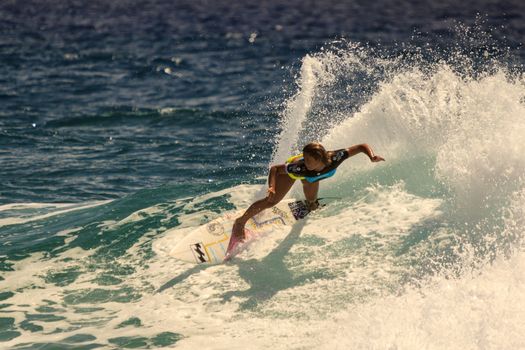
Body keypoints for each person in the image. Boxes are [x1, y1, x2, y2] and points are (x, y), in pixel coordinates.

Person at [231, 142, 385, 240]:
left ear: (320, 159)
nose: (306, 162)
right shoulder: (300, 166)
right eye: (305, 158)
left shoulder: (335, 158)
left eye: (309, 160)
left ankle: (311, 204)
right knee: (271, 201)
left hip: (313, 178)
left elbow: (360, 147)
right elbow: (275, 169)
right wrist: (272, 186)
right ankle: (240, 222)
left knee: (312, 203)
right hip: (293, 174)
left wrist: (372, 157)